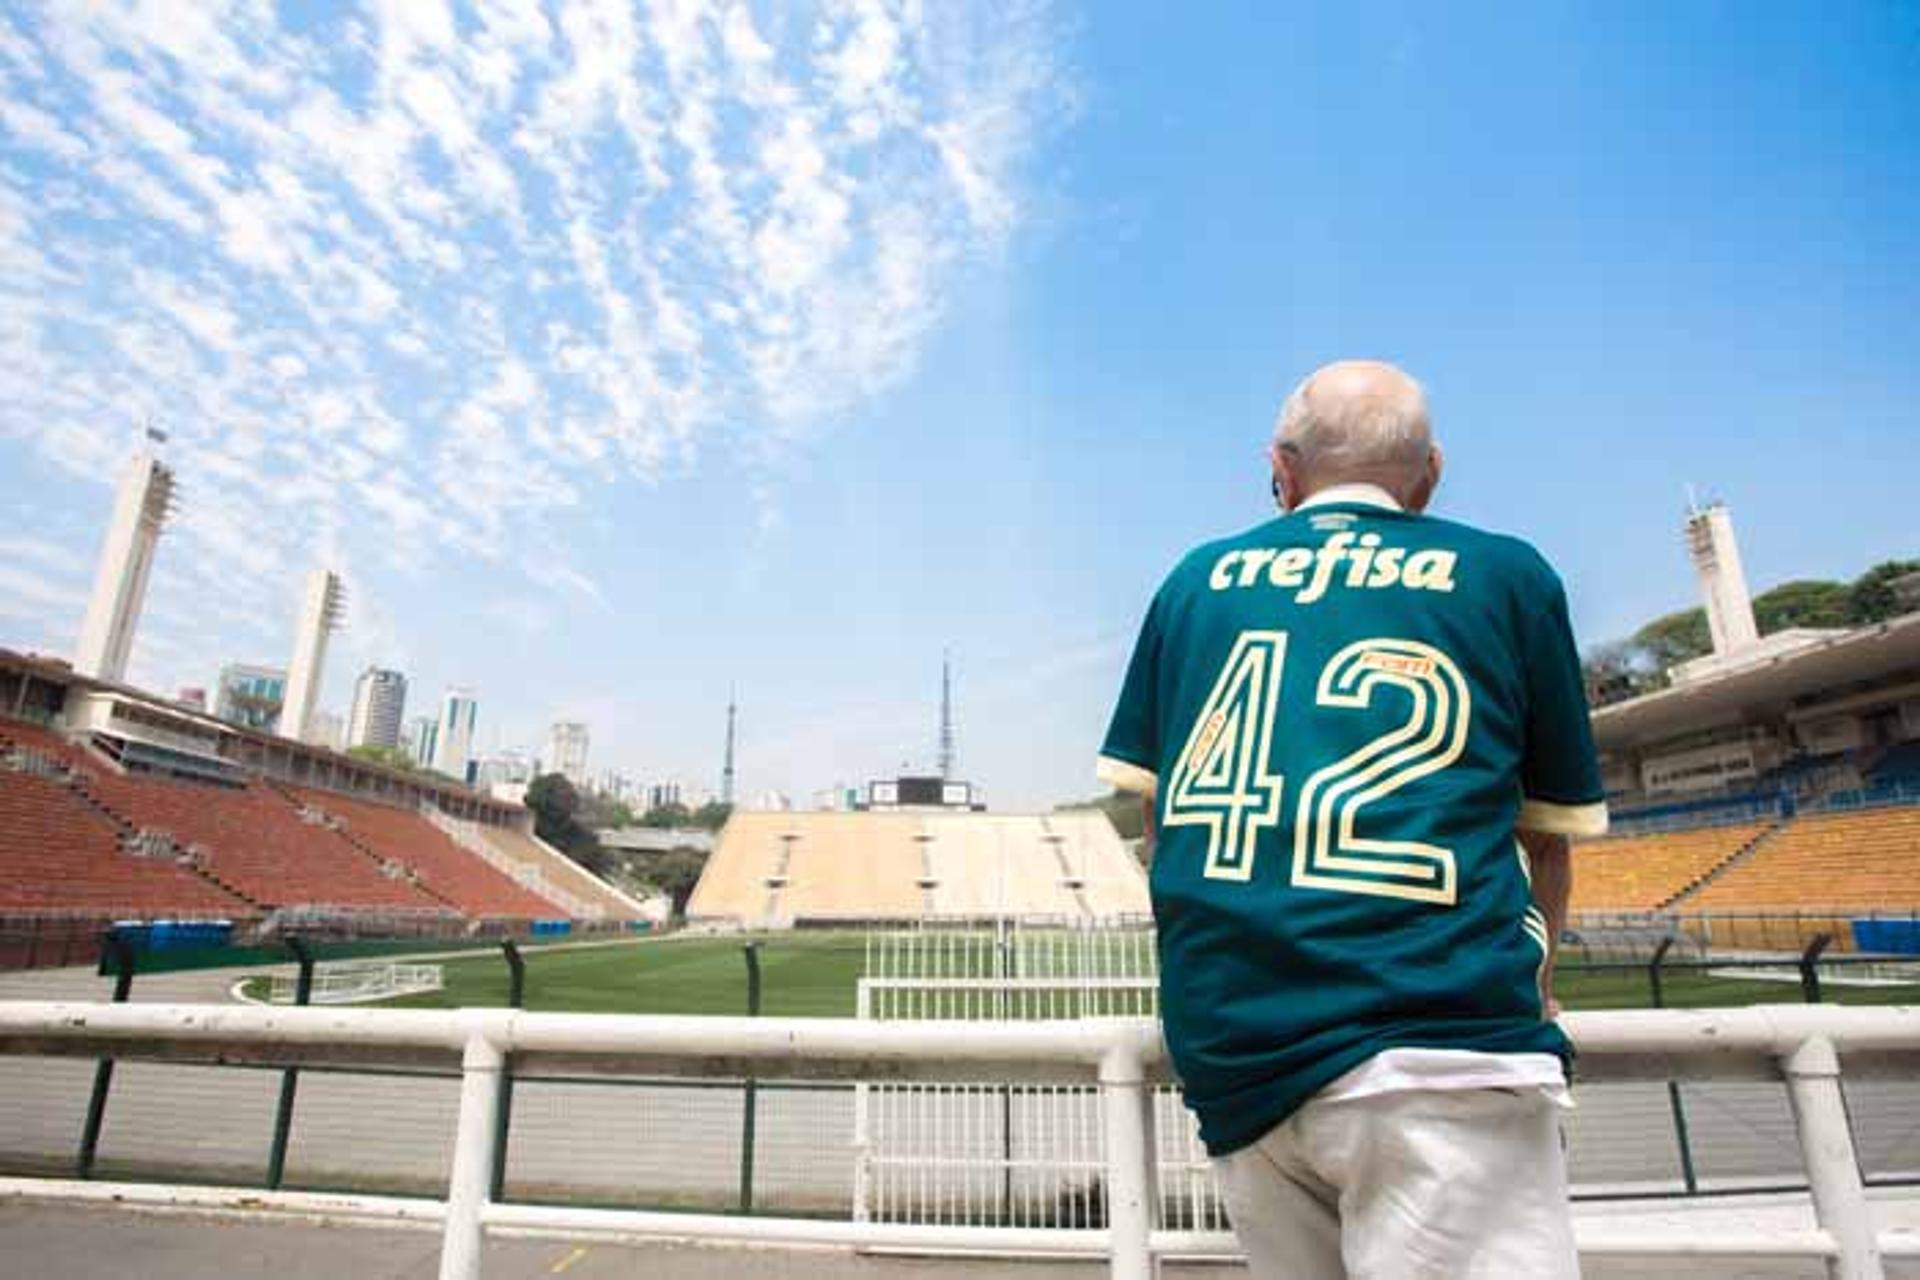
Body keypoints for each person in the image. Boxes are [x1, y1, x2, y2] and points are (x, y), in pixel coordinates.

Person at [1096, 359, 1607, 1279]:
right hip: (1442, 1043)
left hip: (1237, 1049)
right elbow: (1547, 835)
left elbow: (1159, 827)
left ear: (1279, 469)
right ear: (1433, 471)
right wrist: (1539, 983)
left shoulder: (1192, 581)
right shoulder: (1507, 575)